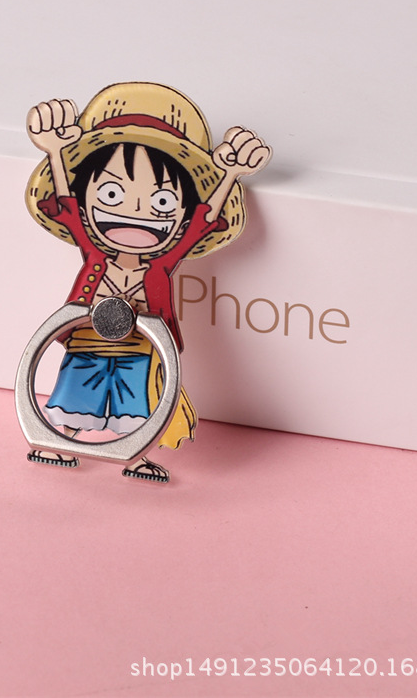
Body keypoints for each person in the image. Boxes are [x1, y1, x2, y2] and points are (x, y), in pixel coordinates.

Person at [25, 82, 271, 483]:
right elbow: (67, 204)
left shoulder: (164, 260)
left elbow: (203, 221)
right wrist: (54, 152)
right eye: (111, 193)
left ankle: (136, 455)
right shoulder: (93, 248)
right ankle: (57, 440)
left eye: (161, 202)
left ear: (180, 211)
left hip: (142, 347)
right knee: (75, 388)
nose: (135, 211)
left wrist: (230, 175)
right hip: (86, 339)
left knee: (136, 404)